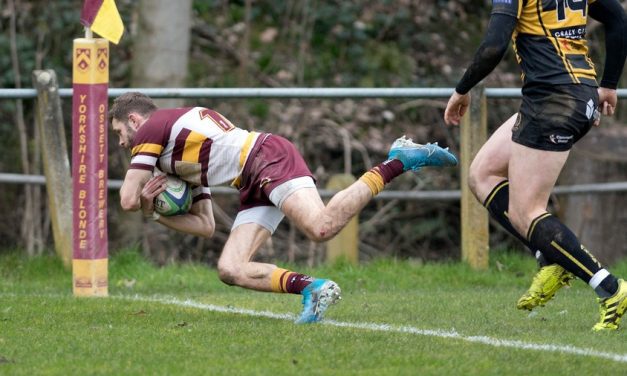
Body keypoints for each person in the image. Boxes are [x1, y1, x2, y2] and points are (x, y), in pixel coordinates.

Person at [110, 92, 458, 324]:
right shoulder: (175, 152)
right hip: (250, 177)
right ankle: (313, 287)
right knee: (230, 269)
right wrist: (152, 212)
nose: (122, 142)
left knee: (321, 227)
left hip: (265, 157)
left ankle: (398, 160)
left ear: (136, 121)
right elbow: (204, 226)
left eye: (119, 132)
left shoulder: (153, 129)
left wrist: (139, 201)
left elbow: (126, 198)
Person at [444, 0, 626, 331]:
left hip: (553, 101)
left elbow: (494, 46)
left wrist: (461, 90)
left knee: (526, 212)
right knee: (482, 174)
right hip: (565, 94)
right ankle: (550, 258)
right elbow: (617, 18)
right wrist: (608, 84)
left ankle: (610, 288)